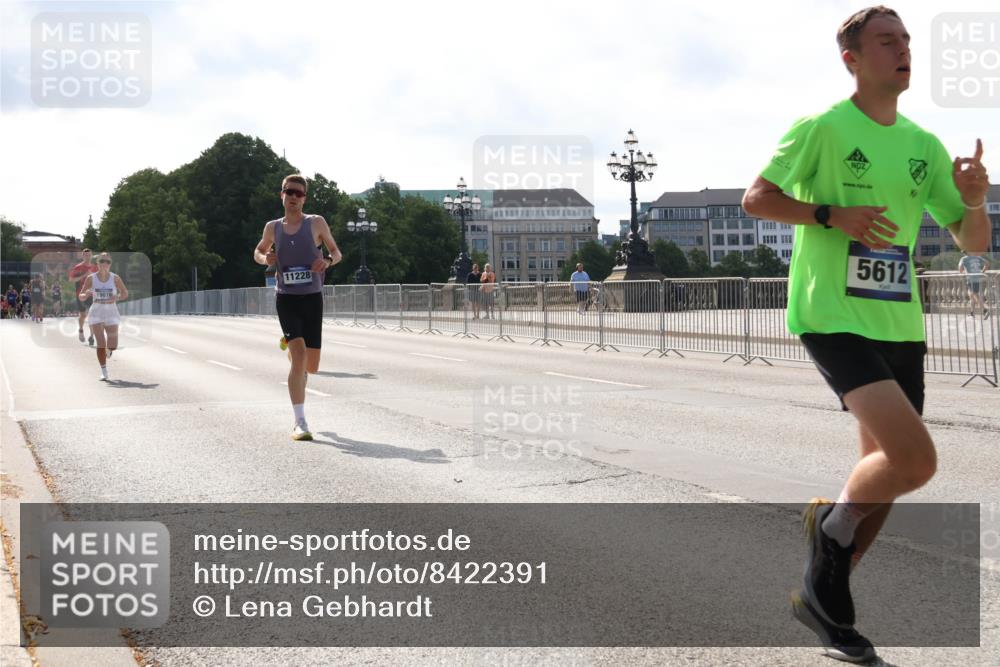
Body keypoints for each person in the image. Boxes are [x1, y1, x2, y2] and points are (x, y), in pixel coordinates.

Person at [741, 6, 989, 662]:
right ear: (851, 58)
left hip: (899, 321)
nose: (903, 50)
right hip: (832, 315)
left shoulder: (922, 145)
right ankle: (829, 529)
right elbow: (757, 198)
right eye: (886, 41)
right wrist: (831, 214)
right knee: (915, 461)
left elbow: (972, 241)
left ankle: (824, 598)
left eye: (906, 40)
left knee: (882, 476)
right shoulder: (822, 127)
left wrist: (974, 199)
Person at [253, 174, 342, 441]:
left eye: (299, 193)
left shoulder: (316, 223)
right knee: (300, 353)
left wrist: (327, 261)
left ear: (304, 198)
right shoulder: (273, 228)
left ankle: (295, 356)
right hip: (286, 298)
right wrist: (265, 258)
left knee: (310, 366)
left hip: (312, 297)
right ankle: (300, 422)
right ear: (282, 194)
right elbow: (258, 251)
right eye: (289, 192)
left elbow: (336, 252)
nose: (293, 197)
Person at [78, 253, 129, 381]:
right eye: (102, 261)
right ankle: (104, 371)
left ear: (110, 264)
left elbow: (125, 293)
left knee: (113, 345)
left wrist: (117, 297)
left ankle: (109, 350)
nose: (105, 263)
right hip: (97, 311)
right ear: (97, 263)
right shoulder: (91, 278)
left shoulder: (115, 278)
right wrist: (86, 294)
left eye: (107, 261)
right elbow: (81, 295)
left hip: (111, 312)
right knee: (100, 343)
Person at [69, 249, 98, 344]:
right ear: (82, 256)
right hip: (80, 294)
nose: (87, 257)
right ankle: (81, 330)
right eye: (85, 255)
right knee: (83, 315)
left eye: (89, 255)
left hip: (92, 294)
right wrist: (85, 275)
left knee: (92, 314)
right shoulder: (78, 267)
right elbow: (71, 279)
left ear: (91, 256)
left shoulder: (95, 267)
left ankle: (92, 336)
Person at [958, 250, 990, 319]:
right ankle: (972, 313)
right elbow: (987, 263)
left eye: (963, 252)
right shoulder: (977, 257)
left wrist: (965, 273)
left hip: (971, 279)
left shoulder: (964, 259)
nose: (963, 253)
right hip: (978, 278)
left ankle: (985, 309)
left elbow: (960, 269)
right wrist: (982, 271)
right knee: (971, 296)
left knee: (975, 296)